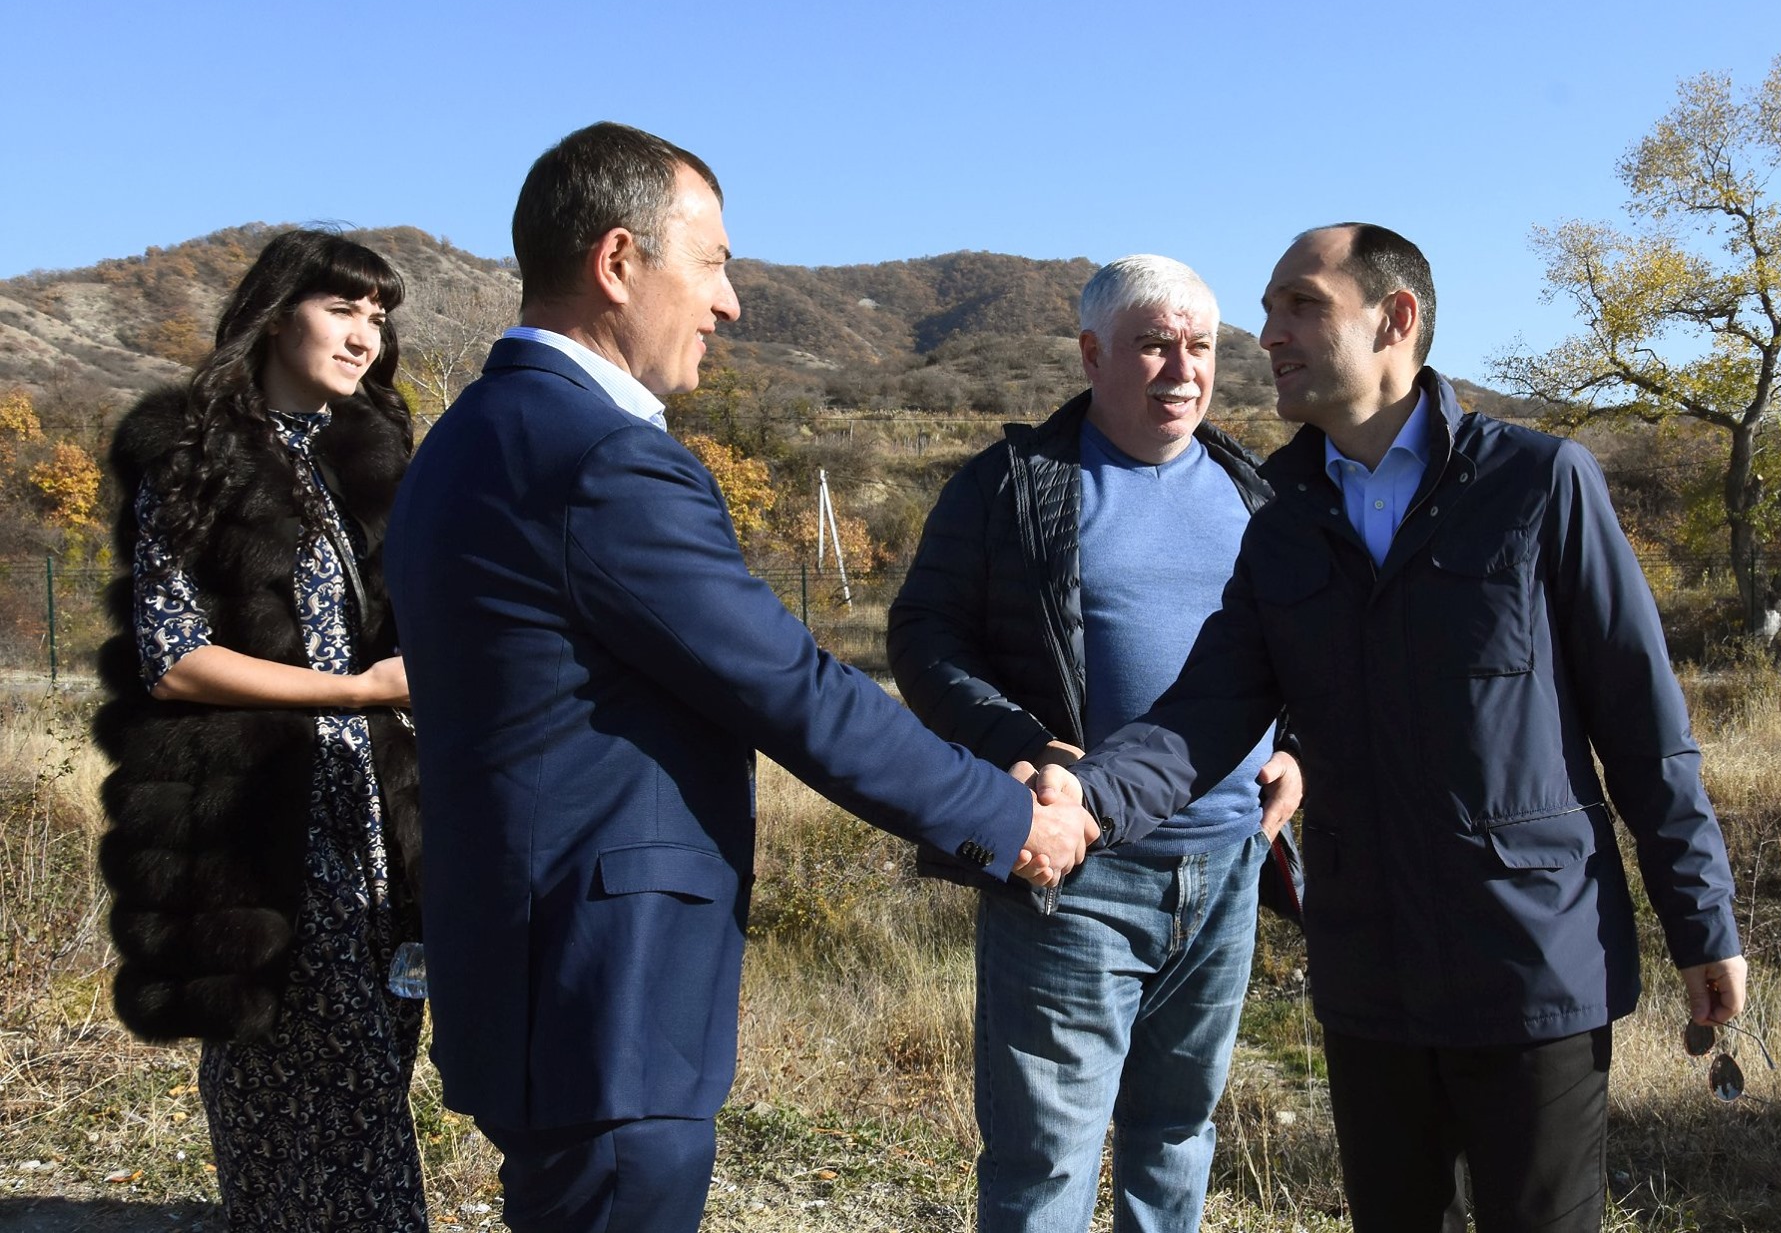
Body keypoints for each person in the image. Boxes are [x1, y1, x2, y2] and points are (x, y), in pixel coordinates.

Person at [383, 121, 1096, 1233]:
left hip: (532, 975)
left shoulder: (469, 435)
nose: (730, 302)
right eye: (713, 263)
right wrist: (1007, 820)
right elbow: (788, 686)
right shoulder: (601, 459)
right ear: (618, 262)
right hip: (604, 998)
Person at [1056, 224, 1747, 1233]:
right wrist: (1085, 798)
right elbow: (1202, 716)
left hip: (1531, 961)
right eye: (1269, 310)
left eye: (1301, 304)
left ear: (1395, 318)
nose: (1267, 333)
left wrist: (1702, 920)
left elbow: (1643, 725)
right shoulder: (1281, 520)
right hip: (1369, 977)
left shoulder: (1538, 482)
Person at [887, 253, 1302, 1233]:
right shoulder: (1012, 486)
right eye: (1154, 346)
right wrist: (1017, 740)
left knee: (1177, 1134)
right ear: (1090, 354)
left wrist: (1300, 745)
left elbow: (1298, 644)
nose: (1183, 371)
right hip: (1072, 873)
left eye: (1201, 347)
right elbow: (923, 634)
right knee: (1044, 1159)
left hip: (1226, 864)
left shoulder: (1256, 490)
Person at [95, 229, 426, 1231]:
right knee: (306, 1096)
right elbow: (172, 654)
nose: (365, 336)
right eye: (342, 309)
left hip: (375, 815)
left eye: (377, 317)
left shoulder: (368, 461)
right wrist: (355, 692)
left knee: (373, 1074)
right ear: (278, 315)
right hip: (261, 824)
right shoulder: (193, 451)